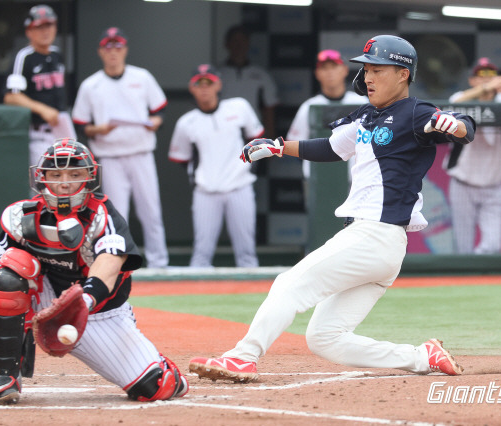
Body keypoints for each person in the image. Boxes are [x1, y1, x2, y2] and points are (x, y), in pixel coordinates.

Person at [188, 35, 476, 382]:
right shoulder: (368, 116)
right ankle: (420, 357)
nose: (368, 77)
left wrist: (454, 125)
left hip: (376, 234)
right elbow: (330, 147)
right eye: (366, 69)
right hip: (379, 245)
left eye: (378, 69)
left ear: (403, 74)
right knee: (325, 339)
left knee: (289, 284)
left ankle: (243, 356)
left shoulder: (416, 113)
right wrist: (279, 147)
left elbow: (465, 127)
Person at [0, 138, 187, 405]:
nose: (64, 182)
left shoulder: (102, 215)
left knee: (154, 387)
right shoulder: (23, 216)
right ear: (42, 178)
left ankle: (164, 371)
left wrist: (80, 305)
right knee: (11, 269)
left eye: (74, 174)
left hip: (99, 311)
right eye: (56, 174)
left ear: (89, 177)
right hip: (47, 296)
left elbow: (108, 266)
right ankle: (6, 377)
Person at [72, 27, 169, 268]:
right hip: (110, 155)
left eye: (117, 47)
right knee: (117, 214)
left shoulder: (142, 77)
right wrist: (99, 129)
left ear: (125, 49)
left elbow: (160, 111)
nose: (113, 52)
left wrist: (154, 123)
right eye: (108, 47)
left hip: (141, 152)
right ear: (100, 52)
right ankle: (118, 263)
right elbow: (81, 124)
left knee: (151, 212)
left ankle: (159, 264)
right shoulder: (90, 85)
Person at [168, 65, 264, 268]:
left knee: (247, 254)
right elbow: (181, 159)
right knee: (201, 254)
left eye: (209, 83)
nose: (204, 88)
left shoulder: (239, 107)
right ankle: (194, 299)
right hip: (206, 191)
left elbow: (256, 140)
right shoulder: (186, 122)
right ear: (191, 88)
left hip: (240, 186)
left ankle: (253, 298)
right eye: (199, 84)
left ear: (218, 85)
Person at [445, 57, 501, 254]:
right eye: (481, 76)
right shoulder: (464, 97)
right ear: (472, 80)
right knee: (463, 248)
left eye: (491, 76)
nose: (487, 80)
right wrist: (484, 90)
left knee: (493, 246)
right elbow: (451, 104)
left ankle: (479, 275)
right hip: (463, 184)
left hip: (494, 187)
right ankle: (465, 282)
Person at [3, 4, 69, 166]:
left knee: (70, 183)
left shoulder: (57, 55)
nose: (45, 31)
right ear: (29, 31)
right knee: (44, 186)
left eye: (49, 25)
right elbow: (11, 96)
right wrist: (42, 109)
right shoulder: (24, 56)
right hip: (38, 133)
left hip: (62, 129)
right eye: (39, 27)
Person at [287, 49, 367, 180]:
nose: (330, 72)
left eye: (334, 66)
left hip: (356, 181)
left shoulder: (361, 103)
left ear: (344, 70)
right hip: (318, 180)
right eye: (324, 68)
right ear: (317, 73)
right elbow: (295, 146)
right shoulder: (308, 107)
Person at [219, 25, 279, 137]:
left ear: (248, 43)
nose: (239, 45)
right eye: (235, 40)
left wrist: (270, 139)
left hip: (253, 133)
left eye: (243, 40)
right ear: (227, 44)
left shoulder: (262, 75)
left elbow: (269, 109)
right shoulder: (218, 74)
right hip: (224, 132)